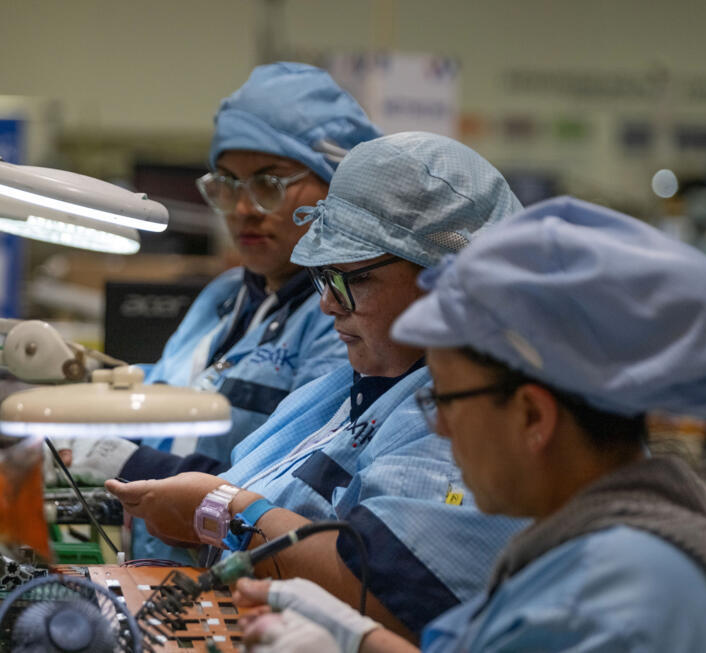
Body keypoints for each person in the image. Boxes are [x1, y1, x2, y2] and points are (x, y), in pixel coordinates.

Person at [231, 197, 706, 653]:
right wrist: (362, 640)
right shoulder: (605, 552)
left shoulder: (602, 603)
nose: (442, 430)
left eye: (447, 400)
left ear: (532, 416)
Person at [105, 132, 528, 639]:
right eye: (322, 278)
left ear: (446, 279)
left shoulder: (469, 419)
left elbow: (390, 593)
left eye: (349, 279)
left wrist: (222, 510)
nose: (327, 303)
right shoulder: (336, 395)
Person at [59, 63, 380, 560]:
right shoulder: (222, 298)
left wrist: (123, 459)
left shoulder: (342, 319)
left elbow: (294, 480)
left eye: (269, 183)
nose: (243, 208)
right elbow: (162, 399)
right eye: (228, 182)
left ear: (335, 186)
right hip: (162, 569)